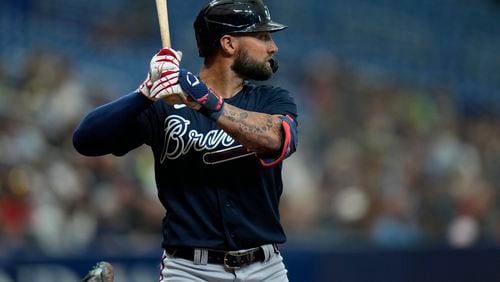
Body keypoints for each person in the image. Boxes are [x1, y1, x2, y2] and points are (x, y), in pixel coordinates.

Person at [74, 0, 298, 281]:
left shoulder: (270, 99)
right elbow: (86, 140)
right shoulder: (165, 105)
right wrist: (145, 92)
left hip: (265, 268)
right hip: (190, 270)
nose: (273, 47)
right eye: (263, 36)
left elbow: (276, 139)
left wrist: (205, 100)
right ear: (228, 43)